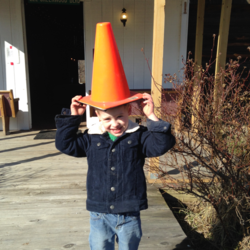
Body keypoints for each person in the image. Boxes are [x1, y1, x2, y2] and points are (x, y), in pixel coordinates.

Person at [55, 92, 175, 250]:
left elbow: (161, 144)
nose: (115, 123)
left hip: (129, 211)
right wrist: (73, 117)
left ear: (129, 111)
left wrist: (151, 115)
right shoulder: (91, 138)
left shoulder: (139, 136)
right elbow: (65, 144)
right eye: (107, 119)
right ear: (98, 116)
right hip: (100, 212)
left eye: (120, 116)